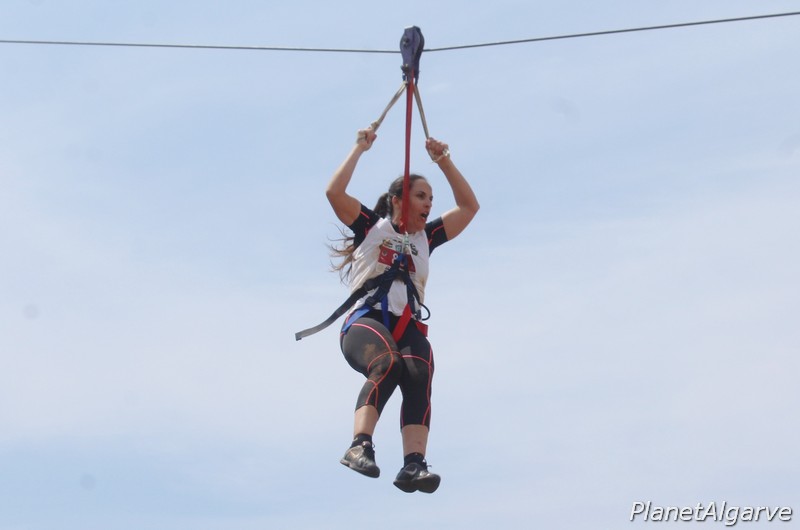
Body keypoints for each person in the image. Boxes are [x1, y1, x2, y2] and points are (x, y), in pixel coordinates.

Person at [325, 126, 479, 493]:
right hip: (366, 321)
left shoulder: (428, 238)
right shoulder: (371, 227)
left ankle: (414, 464)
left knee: (420, 369)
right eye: (421, 196)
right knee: (388, 363)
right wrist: (359, 148)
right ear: (398, 200)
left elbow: (469, 207)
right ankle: (359, 445)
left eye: (431, 198)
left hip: (406, 324)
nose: (429, 204)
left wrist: (444, 161)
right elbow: (334, 193)